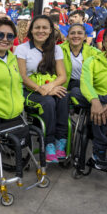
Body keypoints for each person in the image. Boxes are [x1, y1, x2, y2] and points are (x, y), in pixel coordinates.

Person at [15, 15, 69, 163]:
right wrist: (41, 90)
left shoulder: (56, 49)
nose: (41, 31)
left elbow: (62, 76)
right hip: (29, 91)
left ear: (51, 30)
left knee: (64, 97)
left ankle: (61, 140)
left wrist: (49, 87)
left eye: (45, 27)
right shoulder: (22, 49)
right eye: (37, 27)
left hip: (47, 87)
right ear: (31, 30)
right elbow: (23, 77)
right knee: (49, 102)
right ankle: (49, 142)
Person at [70, 26, 107, 170]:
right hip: (95, 99)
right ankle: (99, 152)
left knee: (105, 102)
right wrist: (95, 101)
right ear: (103, 43)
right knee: (75, 91)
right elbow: (86, 83)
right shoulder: (92, 61)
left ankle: (99, 152)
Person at [60, 24, 101, 90]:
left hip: (87, 87)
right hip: (64, 87)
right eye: (72, 33)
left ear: (85, 37)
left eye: (79, 33)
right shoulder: (58, 50)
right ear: (67, 36)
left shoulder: (94, 53)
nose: (76, 36)